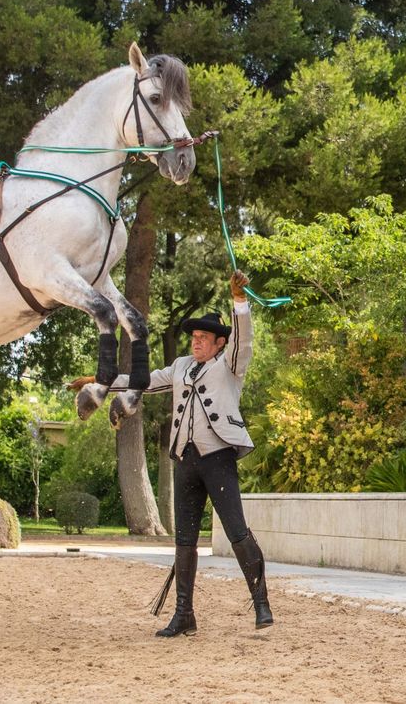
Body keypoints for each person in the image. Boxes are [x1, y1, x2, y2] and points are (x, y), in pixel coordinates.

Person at [146, 269, 272, 636]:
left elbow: (244, 340)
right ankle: (184, 614)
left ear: (219, 343)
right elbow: (146, 380)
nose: (196, 342)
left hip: (218, 460)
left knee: (237, 532)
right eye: (194, 337)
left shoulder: (231, 366)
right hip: (185, 461)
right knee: (184, 540)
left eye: (203, 338)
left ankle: (261, 602)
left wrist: (239, 300)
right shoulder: (182, 367)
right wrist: (100, 383)